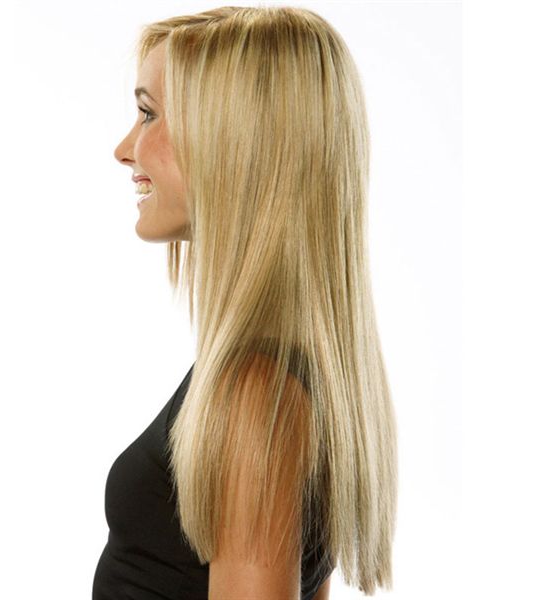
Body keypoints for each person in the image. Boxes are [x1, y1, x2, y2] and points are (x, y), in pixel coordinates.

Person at [95, 5, 397, 599]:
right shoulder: (289, 379)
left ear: (234, 140)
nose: (124, 149)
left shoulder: (257, 398)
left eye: (149, 113)